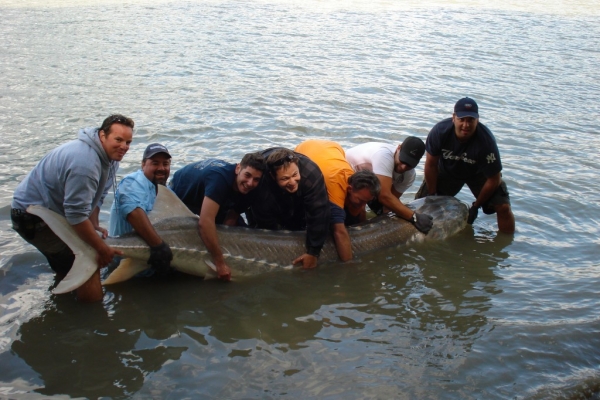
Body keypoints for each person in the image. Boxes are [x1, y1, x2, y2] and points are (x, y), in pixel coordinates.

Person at [11, 114, 134, 302]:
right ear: (102, 136)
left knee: (69, 265)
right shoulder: (85, 163)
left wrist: (94, 225)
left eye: (128, 142)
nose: (124, 147)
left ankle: (63, 301)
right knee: (90, 261)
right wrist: (102, 249)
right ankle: (94, 322)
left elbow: (96, 199)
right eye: (118, 140)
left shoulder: (111, 158)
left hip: (54, 214)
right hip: (31, 217)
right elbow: (76, 216)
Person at [414, 97, 515, 234]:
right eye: (462, 119)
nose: (466, 125)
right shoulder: (439, 132)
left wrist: (476, 206)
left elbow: (494, 179)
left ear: (477, 120)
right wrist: (433, 195)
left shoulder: (486, 142)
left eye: (470, 120)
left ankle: (506, 243)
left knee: (503, 207)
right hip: (447, 171)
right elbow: (431, 165)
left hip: (478, 174)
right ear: (454, 118)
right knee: (419, 206)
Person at [169, 153, 266, 281]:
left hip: (216, 195)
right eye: (247, 175)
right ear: (238, 169)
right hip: (183, 194)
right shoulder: (219, 180)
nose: (250, 183)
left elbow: (231, 218)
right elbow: (205, 222)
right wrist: (220, 263)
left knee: (239, 229)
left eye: (256, 179)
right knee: (195, 230)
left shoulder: (252, 188)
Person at [295, 140, 380, 261]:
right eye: (361, 200)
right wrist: (349, 266)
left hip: (333, 148)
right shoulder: (334, 185)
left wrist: (362, 225)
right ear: (349, 189)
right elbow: (338, 231)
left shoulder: (355, 180)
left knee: (352, 212)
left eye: (366, 202)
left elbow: (361, 210)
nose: (363, 205)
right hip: (304, 151)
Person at [246, 148, 330, 269]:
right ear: (273, 177)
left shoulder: (310, 173)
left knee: (302, 221)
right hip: (267, 194)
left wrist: (313, 252)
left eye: (295, 175)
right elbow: (263, 218)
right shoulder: (261, 180)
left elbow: (320, 213)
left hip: (303, 190)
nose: (292, 182)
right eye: (285, 178)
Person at [109, 143, 174, 276]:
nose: (161, 168)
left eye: (165, 164)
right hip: (125, 261)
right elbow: (133, 212)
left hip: (152, 265)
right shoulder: (133, 182)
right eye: (155, 163)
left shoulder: (166, 191)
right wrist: (158, 246)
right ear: (143, 164)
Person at [345, 137, 433, 234]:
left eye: (409, 164)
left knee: (389, 212)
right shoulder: (384, 155)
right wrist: (414, 217)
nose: (403, 167)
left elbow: (389, 202)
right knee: (354, 214)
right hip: (349, 172)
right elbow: (384, 196)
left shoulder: (409, 176)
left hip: (372, 182)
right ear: (398, 148)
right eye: (403, 160)